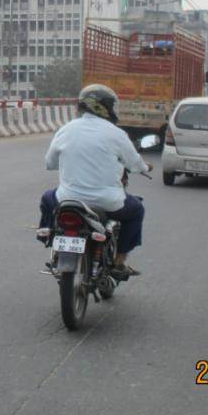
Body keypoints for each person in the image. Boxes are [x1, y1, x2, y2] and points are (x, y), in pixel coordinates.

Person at [37, 84, 152, 276]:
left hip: (68, 199)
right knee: (136, 210)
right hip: (108, 203)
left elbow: (49, 163)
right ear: (106, 107)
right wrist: (145, 167)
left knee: (47, 198)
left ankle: (50, 239)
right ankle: (119, 261)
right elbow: (135, 164)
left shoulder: (66, 130)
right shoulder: (116, 134)